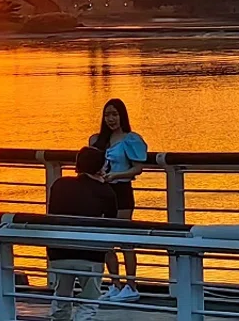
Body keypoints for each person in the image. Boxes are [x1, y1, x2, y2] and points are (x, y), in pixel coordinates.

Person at [47, 147, 118, 321]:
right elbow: (112, 223)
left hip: (59, 252)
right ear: (101, 168)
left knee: (61, 299)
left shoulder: (60, 184)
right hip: (90, 253)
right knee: (89, 302)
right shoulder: (106, 192)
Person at [89, 98, 147, 303]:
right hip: (103, 192)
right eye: (107, 115)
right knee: (104, 241)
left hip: (121, 190)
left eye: (114, 114)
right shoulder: (97, 140)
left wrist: (115, 175)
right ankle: (115, 283)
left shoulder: (131, 139)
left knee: (125, 240)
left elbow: (138, 168)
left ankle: (131, 285)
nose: (111, 119)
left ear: (122, 115)